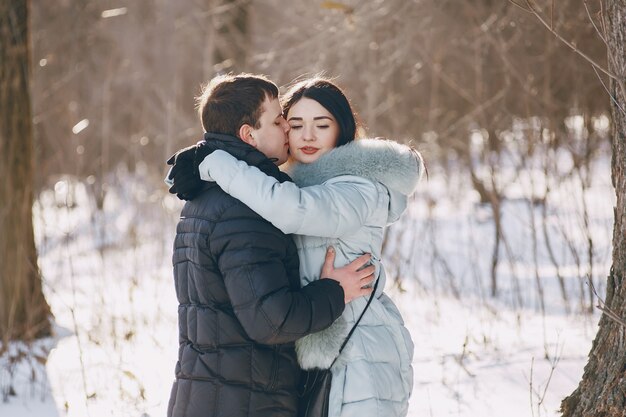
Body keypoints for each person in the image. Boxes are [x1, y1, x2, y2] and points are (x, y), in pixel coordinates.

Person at [169, 77, 424, 417]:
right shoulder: (266, 193)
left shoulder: (357, 188)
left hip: (361, 350)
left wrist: (213, 159)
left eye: (322, 125)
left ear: (342, 130)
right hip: (315, 360)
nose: (306, 136)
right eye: (293, 124)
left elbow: (294, 209)